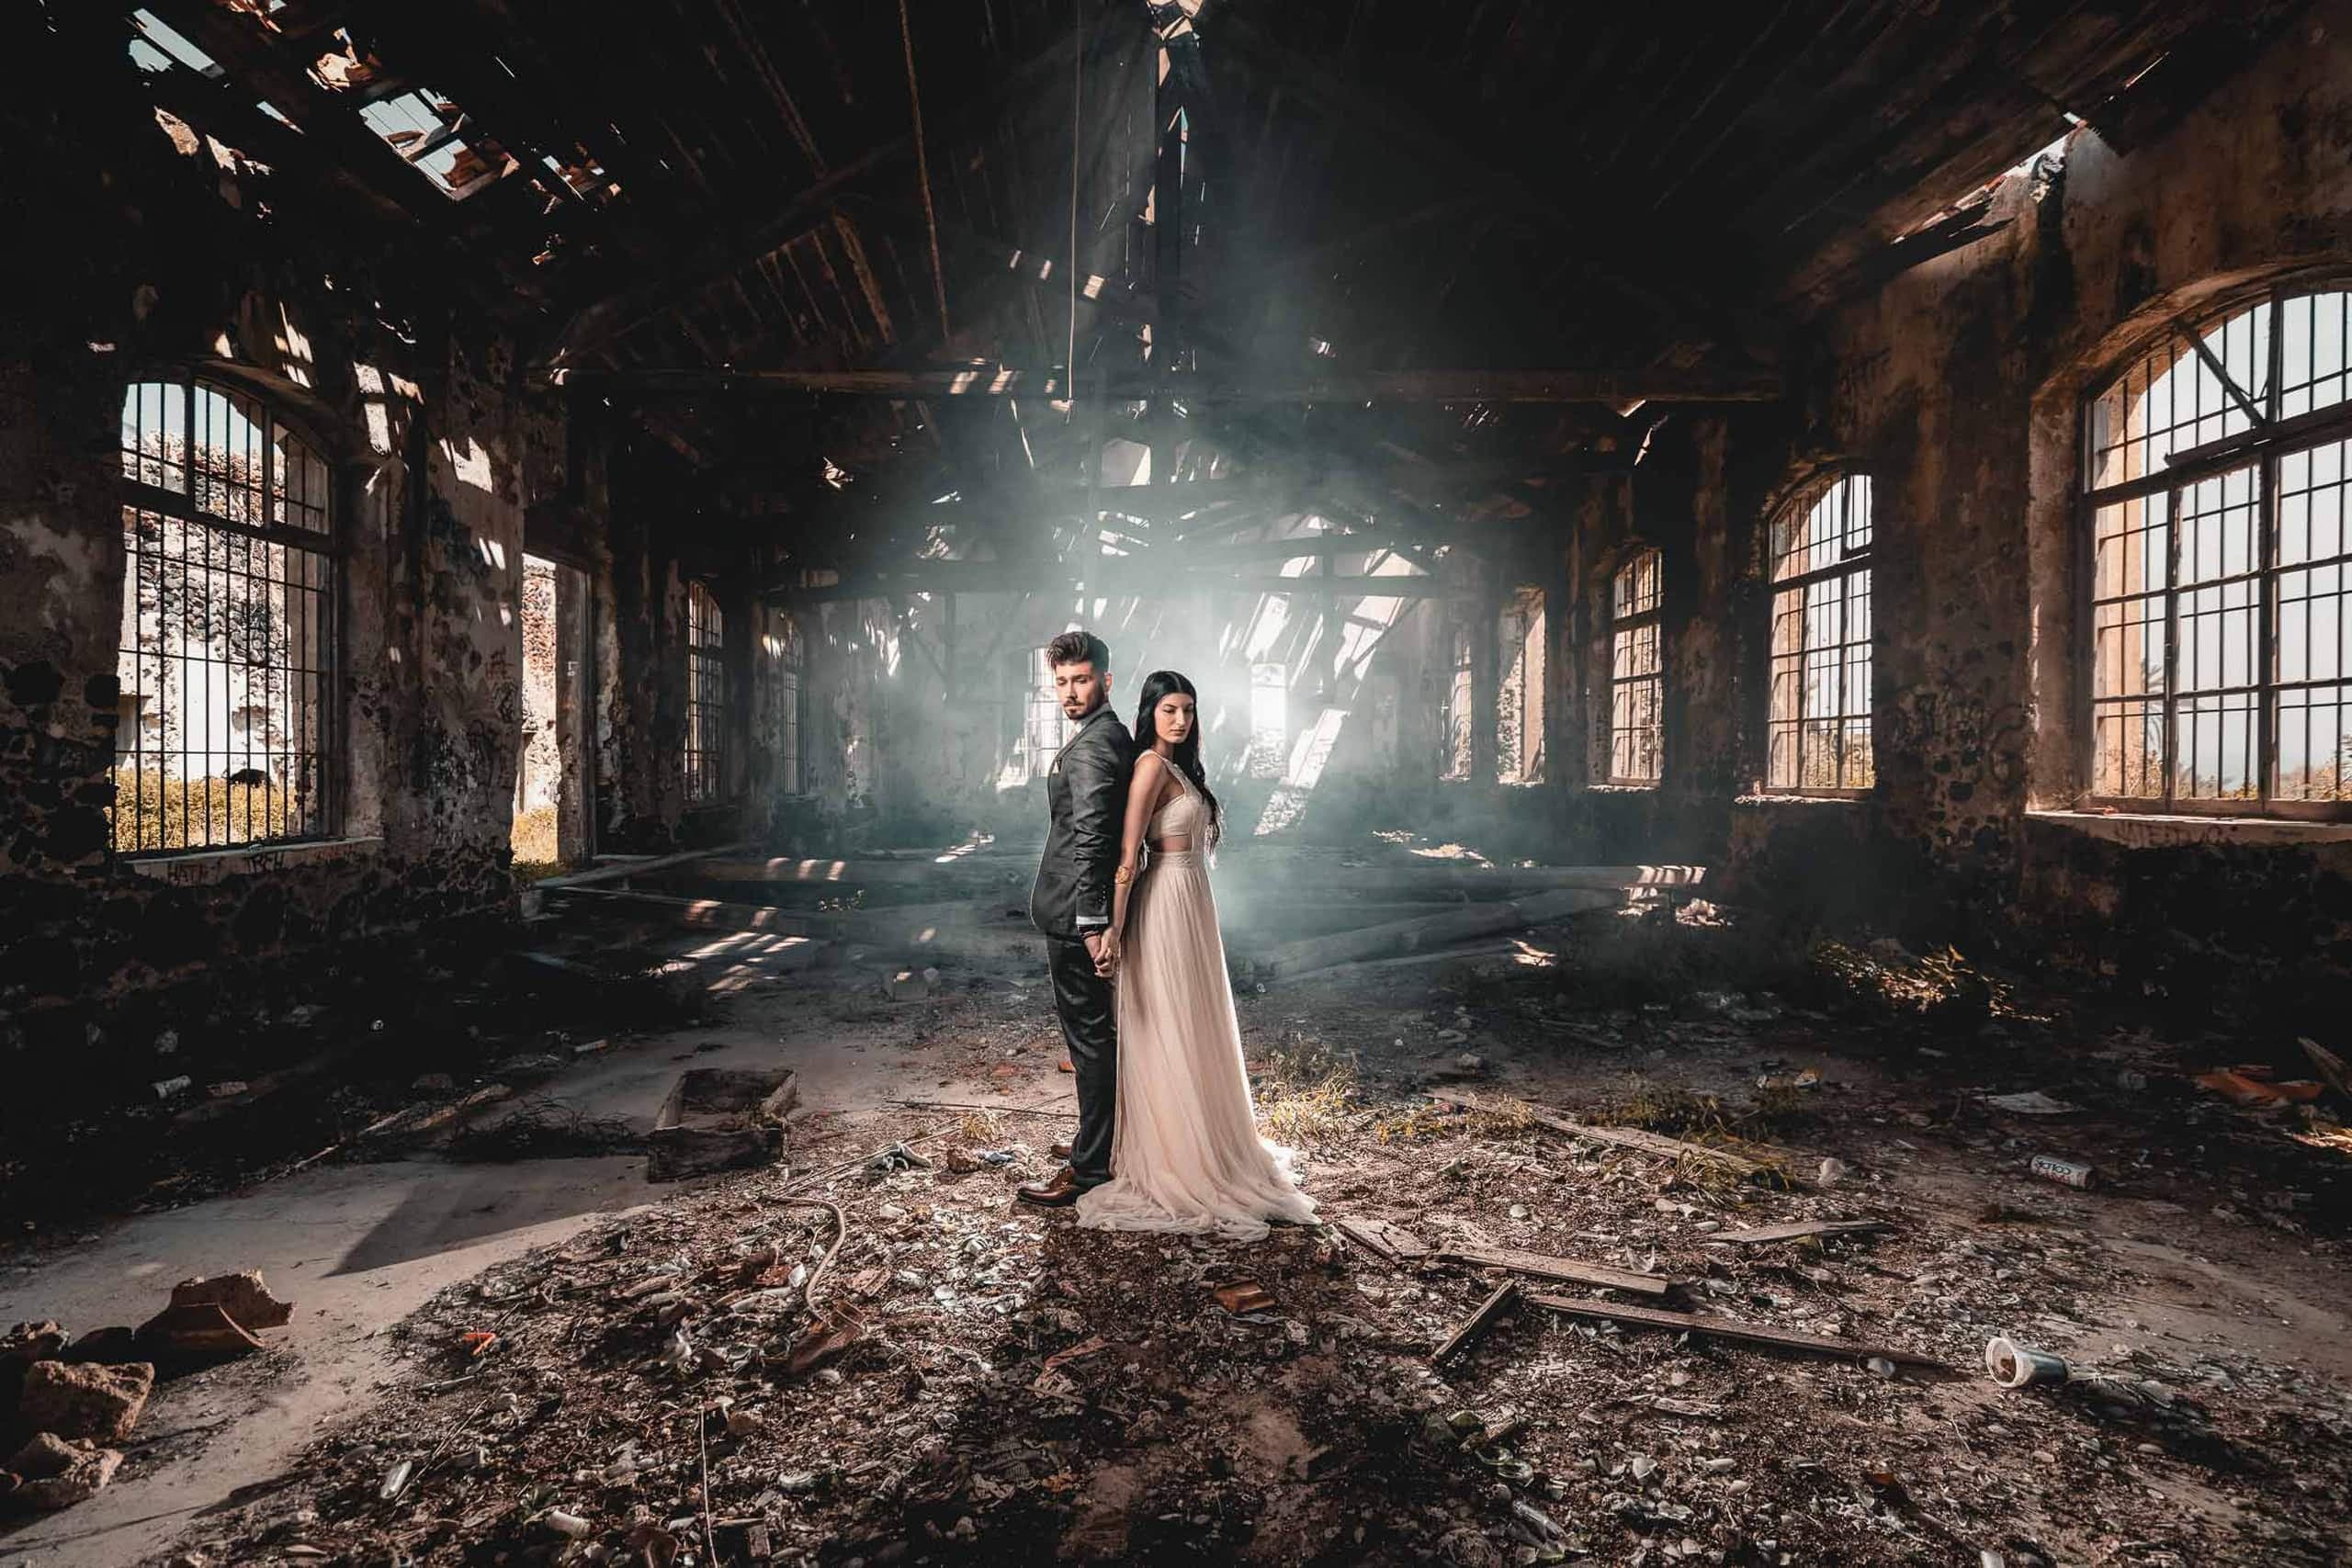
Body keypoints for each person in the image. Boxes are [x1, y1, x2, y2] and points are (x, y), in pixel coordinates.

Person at [1076, 671, 1318, 1241]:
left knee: (1196, 1022)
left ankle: (1211, 1142)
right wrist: (1111, 929)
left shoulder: (1181, 769)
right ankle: (1178, 1157)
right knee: (1170, 1021)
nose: (1180, 720)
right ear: (1149, 715)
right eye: (1169, 711)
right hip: (1161, 905)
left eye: (1187, 710)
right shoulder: (1150, 768)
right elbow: (1127, 854)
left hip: (1191, 904)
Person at [1018, 630, 1136, 1207]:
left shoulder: (1092, 747)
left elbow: (1092, 839)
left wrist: (1092, 925)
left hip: (1075, 917)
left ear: (1106, 682)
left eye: (1081, 680)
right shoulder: (1108, 736)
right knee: (1098, 1038)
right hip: (1079, 911)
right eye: (1061, 682)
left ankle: (1091, 1168)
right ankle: (1101, 1142)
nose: (1069, 691)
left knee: (1090, 1040)